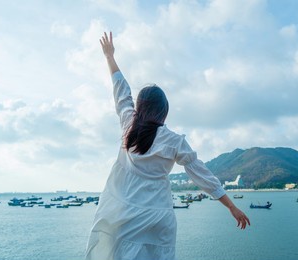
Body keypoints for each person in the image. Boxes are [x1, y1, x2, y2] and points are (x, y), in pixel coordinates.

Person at [85, 32, 250, 260]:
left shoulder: (128, 126)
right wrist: (231, 206)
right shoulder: (174, 141)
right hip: (157, 216)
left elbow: (121, 90)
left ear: (140, 107)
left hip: (124, 215)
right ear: (164, 110)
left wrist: (109, 56)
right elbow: (202, 175)